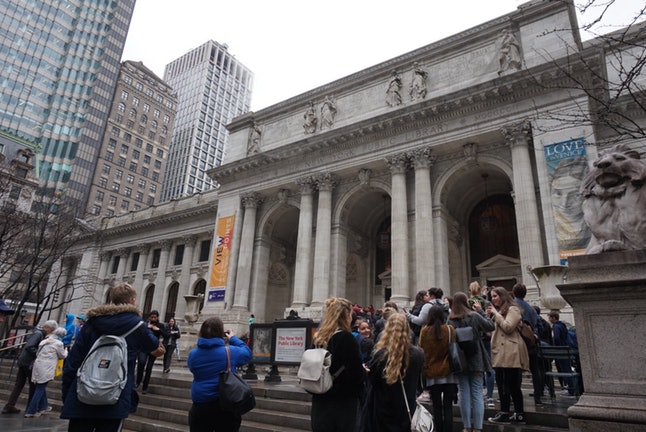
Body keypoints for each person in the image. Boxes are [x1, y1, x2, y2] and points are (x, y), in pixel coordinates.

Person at [60, 282, 160, 432]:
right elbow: (153, 345)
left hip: (82, 394)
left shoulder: (92, 322)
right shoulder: (137, 326)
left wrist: (68, 391)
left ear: (112, 300)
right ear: (133, 301)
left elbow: (73, 361)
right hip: (115, 396)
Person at [359, 312, 424, 432]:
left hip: (383, 410)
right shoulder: (418, 354)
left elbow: (373, 381)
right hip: (407, 408)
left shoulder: (381, 356)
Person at [187, 317, 252, 432]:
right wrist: (232, 338)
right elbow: (247, 353)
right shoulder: (230, 351)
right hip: (224, 406)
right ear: (220, 333)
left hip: (200, 405)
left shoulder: (193, 355)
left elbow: (193, 369)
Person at [310, 297, 365, 432]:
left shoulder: (318, 337)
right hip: (342, 404)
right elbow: (357, 375)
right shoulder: (346, 338)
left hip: (320, 402)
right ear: (346, 315)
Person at [447, 293, 495, 432]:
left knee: (464, 392)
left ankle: (467, 426)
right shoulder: (474, 315)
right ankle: (478, 428)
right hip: (476, 357)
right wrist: (481, 310)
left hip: (459, 359)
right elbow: (490, 326)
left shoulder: (450, 320)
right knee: (477, 392)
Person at [486, 287, 529, 425]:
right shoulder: (499, 312)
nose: (493, 299)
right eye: (491, 297)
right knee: (502, 383)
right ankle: (505, 412)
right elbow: (492, 332)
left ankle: (518, 413)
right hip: (500, 352)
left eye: (495, 296)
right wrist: (489, 316)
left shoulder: (513, 309)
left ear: (502, 296)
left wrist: (496, 315)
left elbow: (508, 327)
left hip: (511, 351)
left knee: (512, 384)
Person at [3, 320, 57, 414]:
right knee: (32, 385)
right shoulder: (39, 334)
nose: (51, 332)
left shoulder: (37, 333)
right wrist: (39, 353)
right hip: (28, 362)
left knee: (19, 384)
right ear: (47, 328)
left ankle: (10, 405)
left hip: (24, 361)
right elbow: (30, 346)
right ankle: (30, 408)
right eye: (52, 330)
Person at [418, 305, 458, 432]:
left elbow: (421, 350)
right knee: (448, 406)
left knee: (436, 406)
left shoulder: (424, 331)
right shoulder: (450, 329)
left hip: (432, 373)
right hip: (448, 373)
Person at [512, 283, 544, 406]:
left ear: (514, 293)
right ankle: (538, 396)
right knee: (535, 370)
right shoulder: (531, 308)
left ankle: (515, 396)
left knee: (517, 371)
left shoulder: (513, 306)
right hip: (531, 344)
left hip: (518, 343)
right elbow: (539, 324)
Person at [24, 326, 67, 418]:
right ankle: (31, 411)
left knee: (40, 386)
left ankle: (44, 406)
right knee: (40, 388)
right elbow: (62, 356)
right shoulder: (59, 344)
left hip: (38, 365)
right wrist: (66, 351)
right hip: (47, 367)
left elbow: (37, 353)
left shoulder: (44, 341)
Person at [136, 310, 167, 394]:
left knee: (149, 368)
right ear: (149, 317)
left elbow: (166, 335)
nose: (153, 319)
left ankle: (145, 387)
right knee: (141, 363)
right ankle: (137, 382)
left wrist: (158, 329)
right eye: (152, 317)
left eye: (155, 317)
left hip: (154, 349)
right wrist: (147, 327)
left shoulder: (160, 325)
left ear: (157, 318)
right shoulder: (145, 324)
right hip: (143, 348)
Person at [548, 311, 578, 396]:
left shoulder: (556, 326)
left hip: (560, 351)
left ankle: (571, 390)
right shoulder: (562, 325)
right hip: (566, 349)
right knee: (567, 369)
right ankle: (572, 389)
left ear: (554, 318)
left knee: (565, 370)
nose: (549, 319)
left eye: (550, 317)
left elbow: (557, 337)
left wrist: (555, 346)